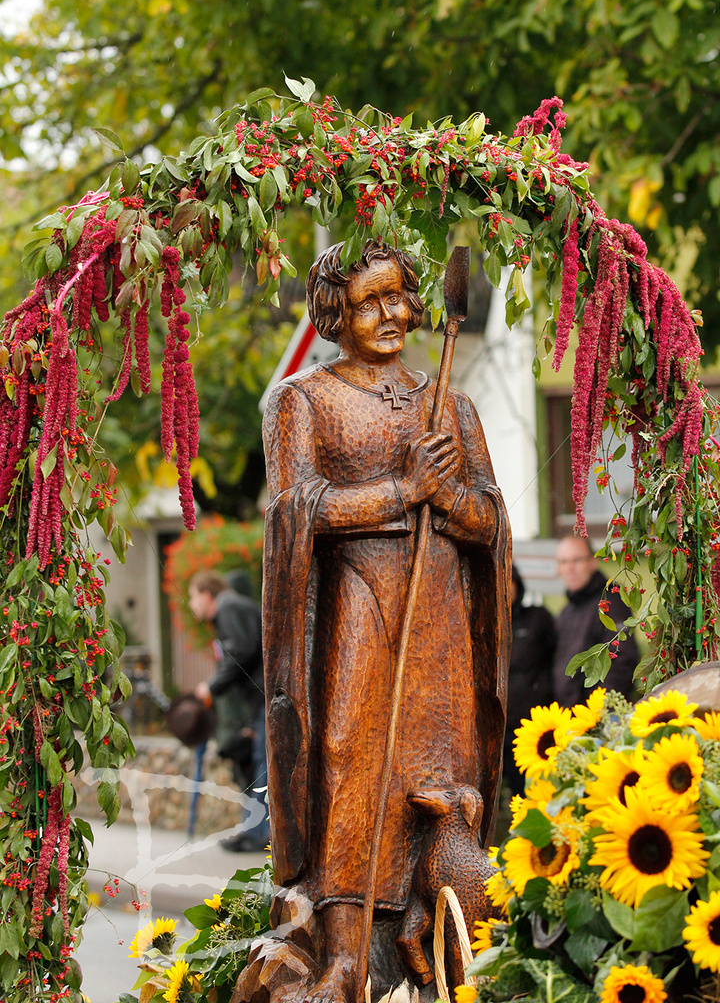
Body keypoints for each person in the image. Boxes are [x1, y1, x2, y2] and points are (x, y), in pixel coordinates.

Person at [261, 239, 511, 1001]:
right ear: (336, 313)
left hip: (439, 616)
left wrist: (451, 500)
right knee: (350, 767)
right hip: (359, 612)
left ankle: (447, 940)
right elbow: (294, 509)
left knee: (442, 775)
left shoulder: (450, 404)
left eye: (400, 294)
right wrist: (402, 491)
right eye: (369, 301)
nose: (392, 312)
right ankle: (342, 955)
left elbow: (489, 519)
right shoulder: (303, 399)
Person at [190, 569, 268, 852]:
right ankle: (255, 831)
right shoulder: (231, 609)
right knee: (260, 763)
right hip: (261, 700)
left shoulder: (229, 607)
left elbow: (241, 652)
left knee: (262, 765)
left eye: (193, 596)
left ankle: (258, 835)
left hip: (265, 698)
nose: (191, 604)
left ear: (206, 594)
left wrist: (212, 686)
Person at [553, 535, 638, 707]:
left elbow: (622, 660)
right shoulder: (567, 611)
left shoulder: (610, 602)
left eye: (576, 560)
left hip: (600, 719)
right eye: (563, 562)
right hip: (572, 717)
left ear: (593, 562)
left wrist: (599, 712)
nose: (570, 568)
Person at [503, 564, 557, 796]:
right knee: (517, 789)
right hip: (504, 727)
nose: (505, 587)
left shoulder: (538, 618)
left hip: (537, 723)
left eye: (509, 580)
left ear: (518, 584)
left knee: (543, 786)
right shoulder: (487, 624)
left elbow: (559, 658)